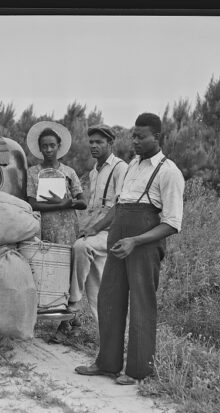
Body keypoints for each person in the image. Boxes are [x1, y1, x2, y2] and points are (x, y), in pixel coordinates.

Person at [75, 113, 185, 385]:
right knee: (109, 299)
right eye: (133, 135)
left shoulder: (169, 172)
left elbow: (172, 223)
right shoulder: (133, 165)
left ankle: (138, 371)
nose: (134, 141)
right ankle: (107, 363)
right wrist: (97, 228)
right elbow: (119, 207)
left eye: (140, 136)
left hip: (144, 244)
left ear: (156, 137)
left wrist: (136, 241)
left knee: (141, 304)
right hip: (118, 239)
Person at [25, 121, 87, 331]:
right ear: (39, 148)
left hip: (68, 226)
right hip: (44, 226)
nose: (49, 149)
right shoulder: (33, 172)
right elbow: (32, 203)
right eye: (45, 146)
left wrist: (68, 202)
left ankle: (68, 317)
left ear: (59, 146)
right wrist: (59, 204)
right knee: (47, 268)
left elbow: (83, 201)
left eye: (52, 145)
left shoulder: (69, 172)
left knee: (68, 269)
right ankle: (47, 310)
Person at [66, 124, 128, 327]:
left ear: (110, 143)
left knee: (81, 247)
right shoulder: (94, 171)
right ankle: (111, 339)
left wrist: (95, 228)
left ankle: (72, 302)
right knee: (98, 290)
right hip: (96, 228)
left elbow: (119, 207)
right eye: (91, 142)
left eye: (99, 142)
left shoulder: (120, 168)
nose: (94, 146)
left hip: (111, 230)